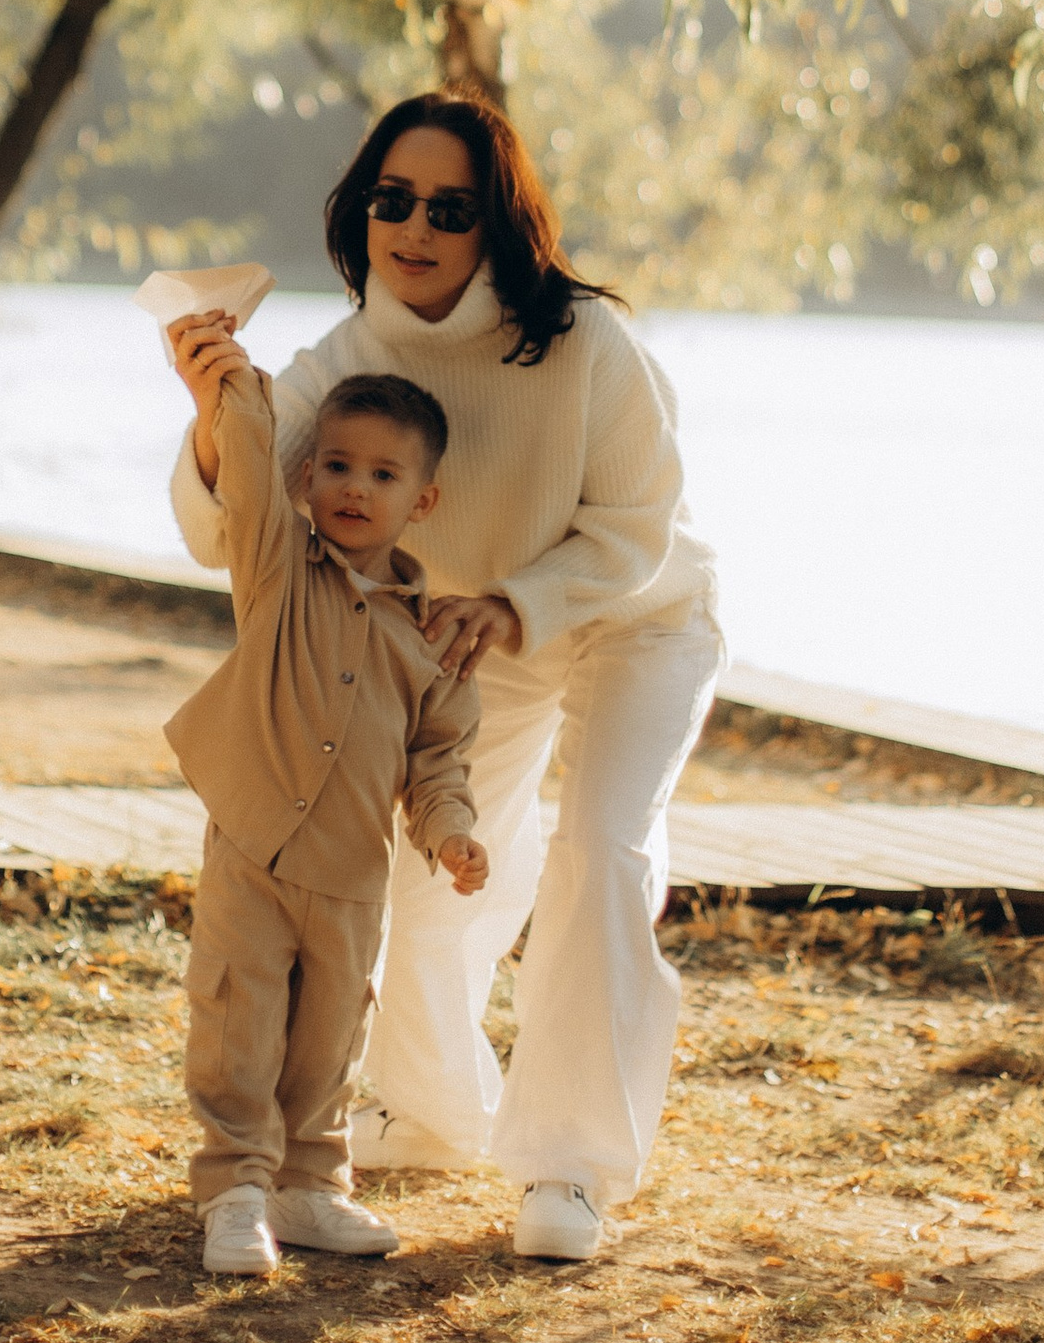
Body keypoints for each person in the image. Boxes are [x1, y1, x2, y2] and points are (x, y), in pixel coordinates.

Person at [170, 93, 721, 1267]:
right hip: (466, 643)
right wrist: (213, 411)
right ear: (361, 209)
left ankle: (569, 1164)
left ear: (498, 225)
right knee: (427, 888)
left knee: (599, 857)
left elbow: (639, 524)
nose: (415, 226)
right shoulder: (345, 360)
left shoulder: (582, 340)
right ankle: (432, 1109)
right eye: (393, 199)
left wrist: (518, 601)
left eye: (450, 208)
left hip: (631, 617)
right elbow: (241, 525)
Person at [163, 330, 489, 1278]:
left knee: (329, 1036)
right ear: (307, 479)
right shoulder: (275, 573)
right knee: (240, 1020)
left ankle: (311, 1186)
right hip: (252, 851)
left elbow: (438, 766)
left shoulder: (432, 641)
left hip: (352, 875)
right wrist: (232, 382)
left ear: (421, 501)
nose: (354, 487)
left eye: (383, 474)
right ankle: (236, 1190)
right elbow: (251, 475)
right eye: (337, 466)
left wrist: (454, 833)